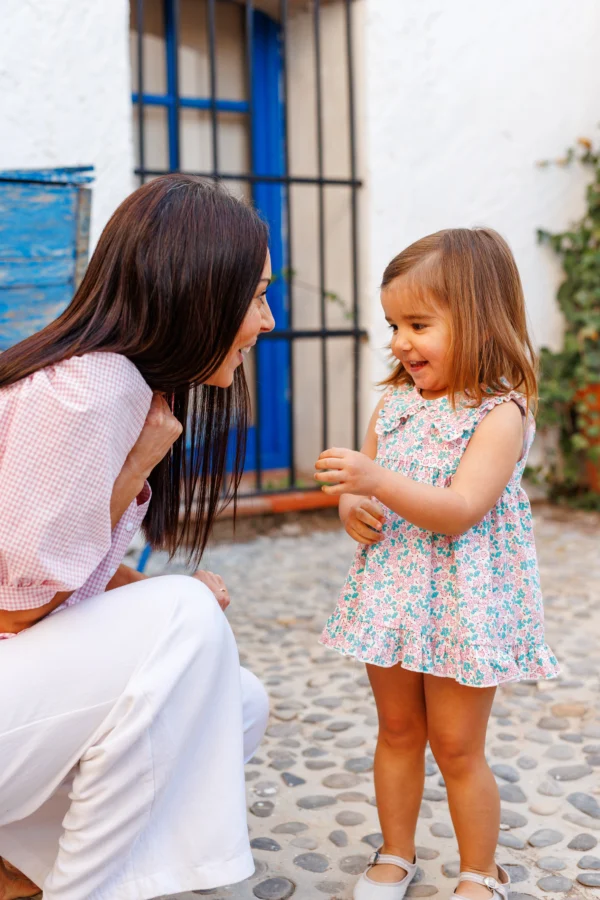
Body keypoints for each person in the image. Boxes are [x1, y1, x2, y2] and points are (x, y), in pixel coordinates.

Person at [0, 174, 275, 900]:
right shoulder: (92, 389)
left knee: (233, 702)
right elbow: (18, 608)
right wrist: (136, 475)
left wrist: (139, 591)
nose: (268, 320)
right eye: (255, 294)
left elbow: (43, 568)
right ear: (197, 289)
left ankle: (24, 871)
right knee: (184, 621)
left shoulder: (122, 386)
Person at [315, 228, 559, 900]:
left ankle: (480, 872)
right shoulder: (394, 406)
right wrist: (351, 506)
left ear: (478, 320)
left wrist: (374, 479)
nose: (399, 341)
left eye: (419, 324)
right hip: (394, 594)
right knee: (396, 728)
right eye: (394, 323)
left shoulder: (499, 415)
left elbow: (460, 508)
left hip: (462, 604)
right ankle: (395, 853)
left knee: (456, 746)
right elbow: (366, 494)